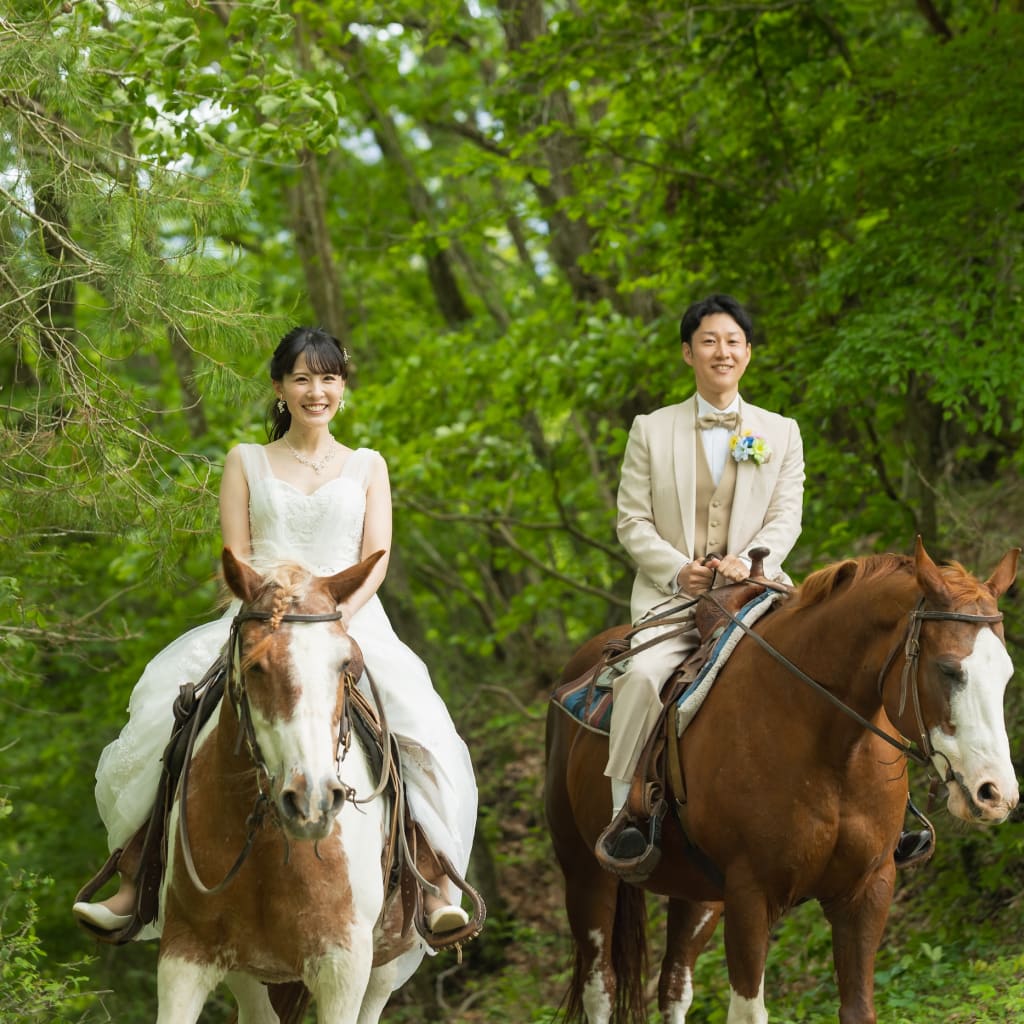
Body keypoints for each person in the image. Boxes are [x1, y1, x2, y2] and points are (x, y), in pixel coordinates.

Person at [73, 327, 477, 937]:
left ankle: (431, 880)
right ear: (280, 387)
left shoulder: (368, 465)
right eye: (302, 379)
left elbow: (377, 558)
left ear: (343, 385)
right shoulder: (246, 459)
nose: (317, 392)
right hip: (264, 619)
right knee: (170, 717)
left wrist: (337, 615)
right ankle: (137, 879)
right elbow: (236, 554)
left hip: (346, 618)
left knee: (420, 727)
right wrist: (274, 611)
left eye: (328, 378)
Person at [599, 294, 804, 863]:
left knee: (829, 661)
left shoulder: (781, 432)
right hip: (672, 599)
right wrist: (676, 570)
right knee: (642, 677)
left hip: (758, 591)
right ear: (688, 353)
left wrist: (749, 560)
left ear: (748, 352)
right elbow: (631, 520)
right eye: (709, 341)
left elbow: (786, 517)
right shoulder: (650, 430)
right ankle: (626, 812)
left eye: (733, 341)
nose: (722, 351)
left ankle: (883, 809)